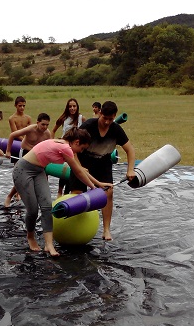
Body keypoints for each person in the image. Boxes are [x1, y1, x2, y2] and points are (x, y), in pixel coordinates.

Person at [12, 129, 109, 256]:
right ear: (77, 142)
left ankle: (49, 245)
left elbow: (80, 169)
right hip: (23, 170)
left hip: (39, 171)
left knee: (47, 207)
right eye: (82, 148)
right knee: (33, 210)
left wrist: (98, 184)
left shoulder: (66, 145)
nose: (81, 151)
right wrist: (93, 187)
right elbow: (77, 172)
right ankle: (30, 237)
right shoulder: (65, 148)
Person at [68, 101, 135, 241]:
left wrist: (130, 170)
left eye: (110, 119)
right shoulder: (88, 126)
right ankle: (75, 229)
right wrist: (79, 167)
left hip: (103, 162)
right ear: (100, 113)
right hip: (83, 160)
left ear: (115, 116)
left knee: (108, 192)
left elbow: (130, 150)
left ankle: (106, 230)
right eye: (105, 118)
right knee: (77, 195)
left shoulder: (116, 129)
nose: (107, 122)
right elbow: (72, 148)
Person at [3, 113, 52, 207]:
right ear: (37, 123)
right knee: (23, 177)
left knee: (42, 176)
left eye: (47, 125)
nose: (45, 127)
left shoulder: (47, 133)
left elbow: (49, 146)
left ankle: (40, 198)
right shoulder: (30, 129)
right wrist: (8, 151)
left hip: (38, 155)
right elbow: (12, 135)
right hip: (26, 153)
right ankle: (10, 196)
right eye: (43, 124)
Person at [51, 99, 84, 197]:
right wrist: (52, 142)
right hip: (65, 147)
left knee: (72, 170)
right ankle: (59, 192)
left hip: (76, 149)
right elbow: (53, 131)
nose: (72, 108)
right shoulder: (64, 118)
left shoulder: (81, 118)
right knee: (65, 169)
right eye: (70, 106)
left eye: (74, 106)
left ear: (77, 107)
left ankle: (67, 193)